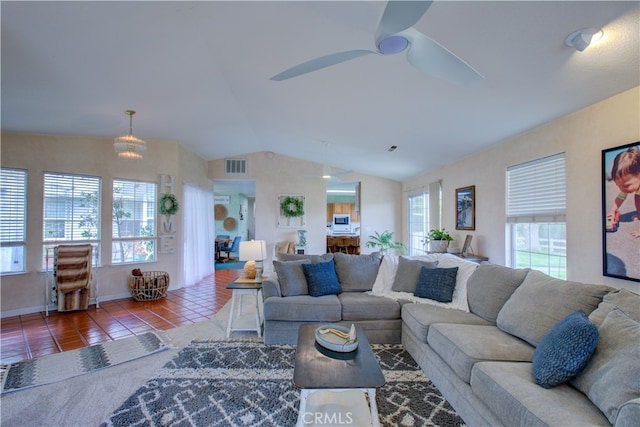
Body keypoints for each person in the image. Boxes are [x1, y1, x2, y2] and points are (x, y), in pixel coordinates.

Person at [606, 146, 640, 238]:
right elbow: (620, 198)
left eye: (625, 185)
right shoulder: (625, 187)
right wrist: (613, 211)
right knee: (637, 197)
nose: (622, 189)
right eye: (618, 185)